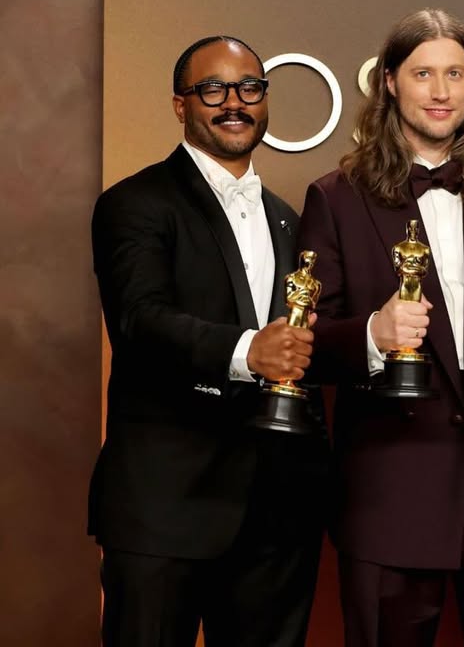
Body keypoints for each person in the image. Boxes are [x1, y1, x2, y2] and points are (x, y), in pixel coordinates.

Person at [296, 8, 464, 647]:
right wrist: (371, 334)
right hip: (390, 496)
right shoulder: (336, 197)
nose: (441, 92)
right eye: (423, 74)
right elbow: (304, 347)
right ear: (389, 82)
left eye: (455, 74)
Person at [89, 35, 328, 647]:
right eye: (213, 89)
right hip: (166, 511)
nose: (234, 103)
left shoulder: (289, 219)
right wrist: (249, 351)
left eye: (249, 88)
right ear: (180, 105)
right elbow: (140, 320)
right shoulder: (134, 203)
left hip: (276, 515)